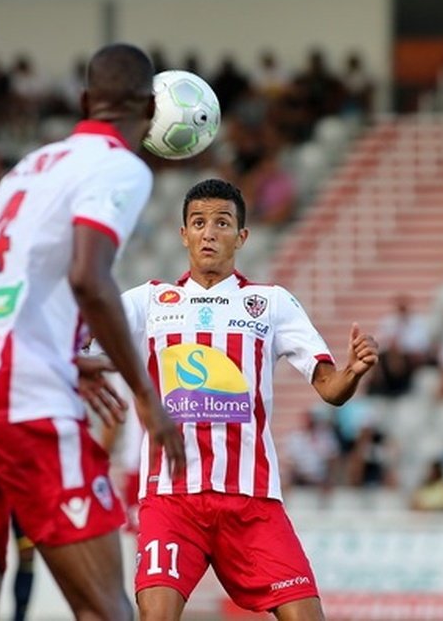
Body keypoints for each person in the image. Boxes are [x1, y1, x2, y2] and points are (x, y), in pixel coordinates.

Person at [0, 44, 184, 621]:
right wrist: (146, 397)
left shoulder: (26, 170)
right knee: (108, 609)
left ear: (85, 102)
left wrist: (60, 351)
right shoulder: (120, 167)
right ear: (151, 112)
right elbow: (90, 277)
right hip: (23, 403)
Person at [98, 178, 379, 620]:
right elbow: (79, 346)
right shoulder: (150, 301)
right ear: (184, 234)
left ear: (241, 236)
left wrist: (353, 373)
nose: (209, 232)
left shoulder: (269, 303)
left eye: (222, 223)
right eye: (198, 222)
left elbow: (330, 388)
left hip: (252, 502)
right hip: (171, 500)